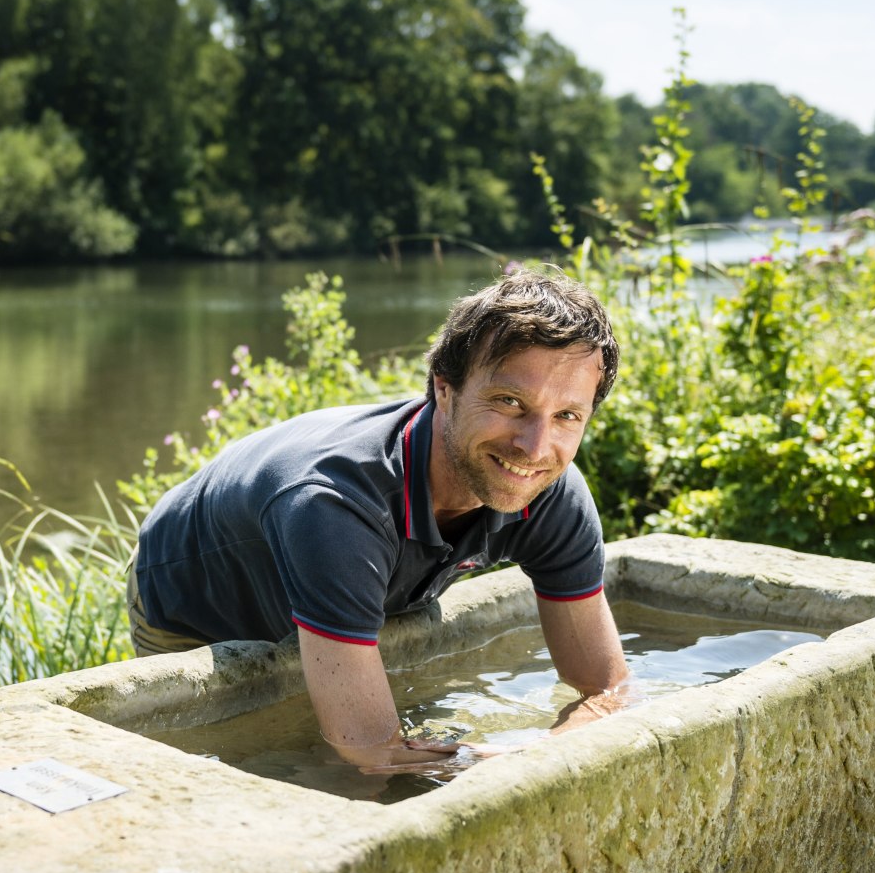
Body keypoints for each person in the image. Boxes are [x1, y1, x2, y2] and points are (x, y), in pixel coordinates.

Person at [127, 269, 630, 770]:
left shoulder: (551, 491)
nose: (535, 446)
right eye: (509, 402)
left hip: (341, 570)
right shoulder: (337, 504)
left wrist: (543, 750)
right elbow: (371, 750)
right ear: (444, 390)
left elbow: (608, 688)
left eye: (567, 415)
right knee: (248, 768)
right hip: (194, 605)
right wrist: (490, 764)